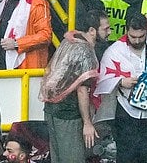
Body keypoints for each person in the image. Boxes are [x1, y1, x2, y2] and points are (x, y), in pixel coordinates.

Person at [94, 12, 147, 163]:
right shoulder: (114, 51)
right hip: (126, 111)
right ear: (126, 30)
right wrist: (121, 82)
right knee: (127, 155)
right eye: (133, 37)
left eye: (141, 37)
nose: (137, 40)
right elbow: (101, 81)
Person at [39, 19, 102, 163]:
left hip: (51, 109)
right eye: (105, 29)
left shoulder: (69, 41)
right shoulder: (85, 53)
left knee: (57, 157)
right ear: (92, 30)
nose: (109, 32)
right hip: (68, 115)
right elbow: (82, 90)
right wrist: (87, 123)